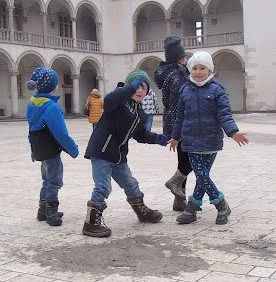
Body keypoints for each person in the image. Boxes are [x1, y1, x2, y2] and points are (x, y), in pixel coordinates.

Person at [82, 70, 168, 237]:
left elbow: (140, 134)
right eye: (137, 86)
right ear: (129, 87)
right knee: (103, 187)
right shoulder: (118, 102)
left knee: (131, 184)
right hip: (101, 151)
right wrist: (128, 90)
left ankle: (142, 212)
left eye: (144, 87)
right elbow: (108, 100)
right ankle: (91, 223)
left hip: (119, 156)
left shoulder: (140, 113)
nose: (140, 90)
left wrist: (159, 138)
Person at [168, 51, 249, 225]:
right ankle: (215, 206)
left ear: (210, 70)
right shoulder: (184, 90)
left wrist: (233, 132)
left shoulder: (217, 89)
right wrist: (175, 137)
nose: (198, 72)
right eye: (194, 68)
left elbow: (224, 115)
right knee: (202, 175)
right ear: (190, 70)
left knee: (202, 176)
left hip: (211, 140)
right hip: (190, 142)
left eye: (202, 68)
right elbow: (180, 117)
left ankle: (196, 209)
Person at [25, 67, 79, 227]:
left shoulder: (33, 105)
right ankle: (51, 213)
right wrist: (73, 149)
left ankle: (42, 211)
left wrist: (33, 151)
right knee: (54, 181)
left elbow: (31, 132)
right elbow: (61, 134)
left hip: (41, 150)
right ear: (52, 87)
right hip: (51, 151)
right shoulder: (51, 108)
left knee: (46, 180)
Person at [154, 35, 192, 211]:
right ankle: (175, 183)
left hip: (171, 120)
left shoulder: (168, 73)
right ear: (181, 57)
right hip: (181, 121)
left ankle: (179, 201)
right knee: (191, 158)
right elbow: (182, 102)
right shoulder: (178, 74)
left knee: (183, 158)